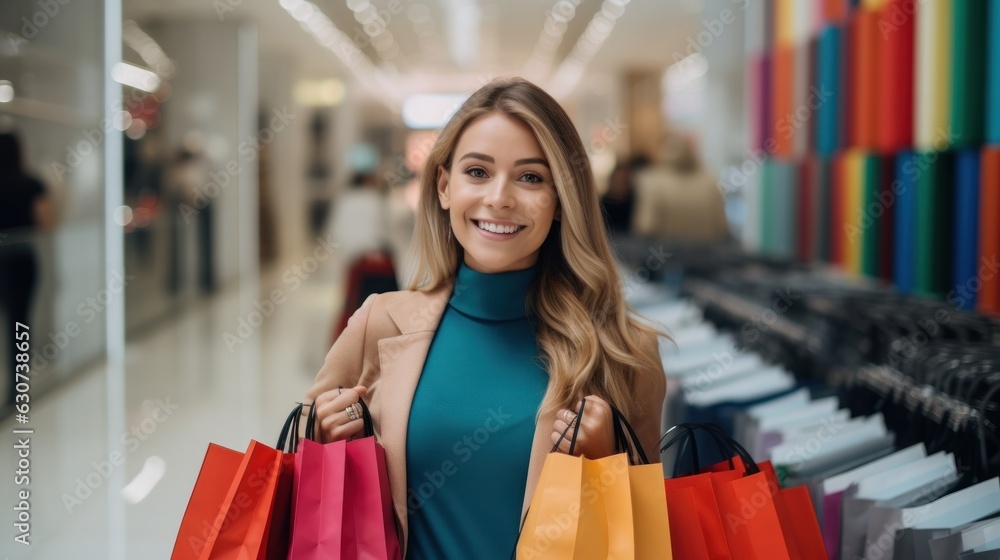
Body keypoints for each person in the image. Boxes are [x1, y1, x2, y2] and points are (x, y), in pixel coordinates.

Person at [302, 78, 667, 559]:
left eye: (531, 178)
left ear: (561, 200)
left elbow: (646, 541)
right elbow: (303, 486)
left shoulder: (623, 352)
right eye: (477, 171)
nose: (500, 198)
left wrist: (605, 462)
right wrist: (324, 435)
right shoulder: (379, 324)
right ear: (444, 185)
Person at [0, 131, 55, 407]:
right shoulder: (31, 183)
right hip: (22, 261)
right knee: (20, 324)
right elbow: (46, 221)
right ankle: (18, 387)